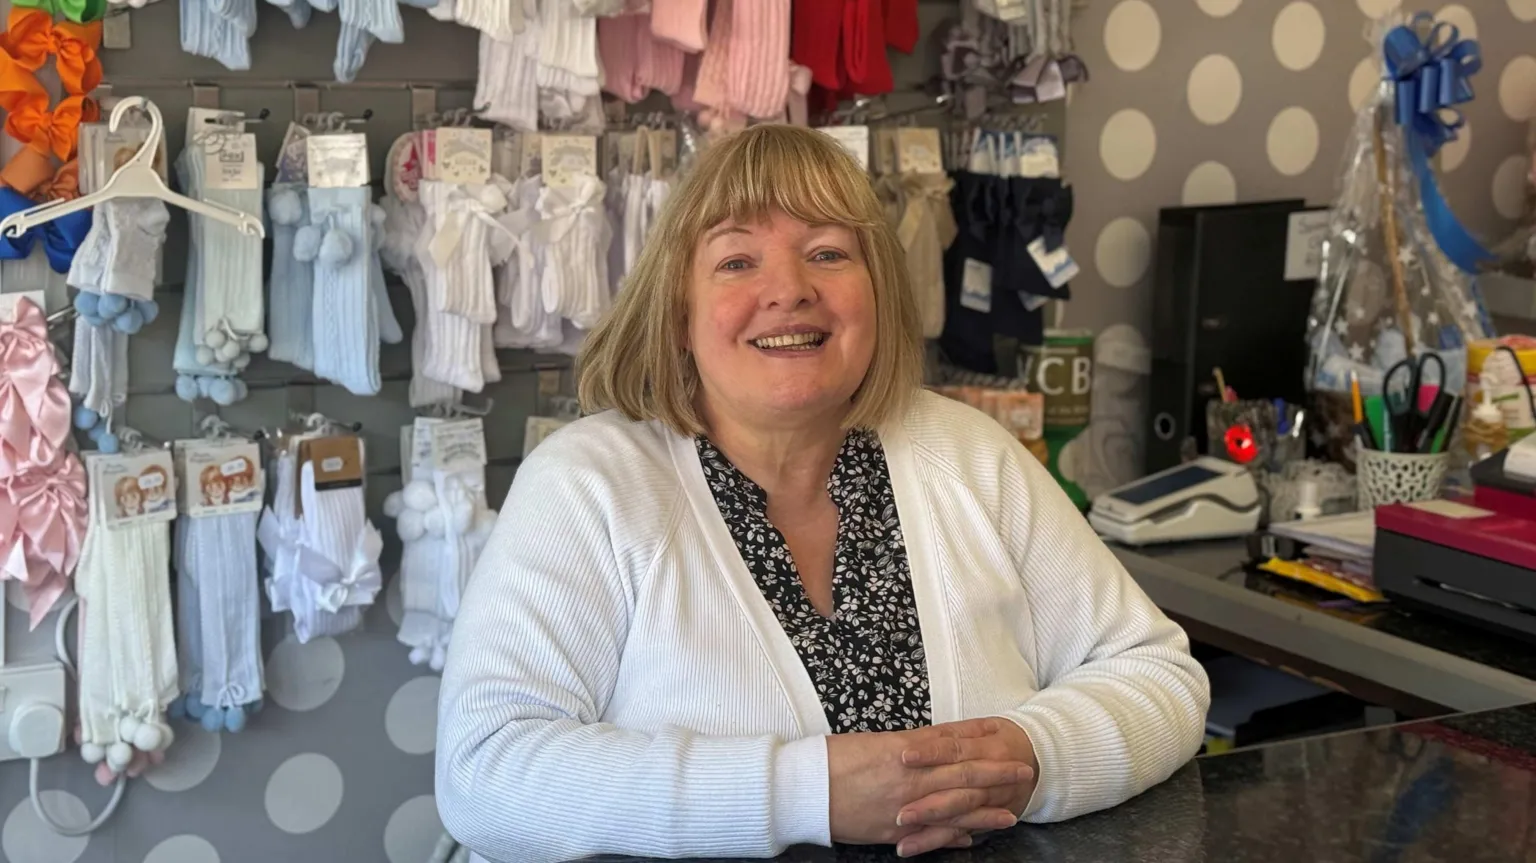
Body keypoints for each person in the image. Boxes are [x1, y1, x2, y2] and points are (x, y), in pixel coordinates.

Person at [437, 125, 1210, 863]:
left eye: (828, 252)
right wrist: (806, 791)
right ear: (678, 311)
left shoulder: (969, 454)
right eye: (737, 262)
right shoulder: (589, 484)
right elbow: (487, 771)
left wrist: (1034, 755)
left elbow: (1158, 675)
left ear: (877, 295)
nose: (791, 290)